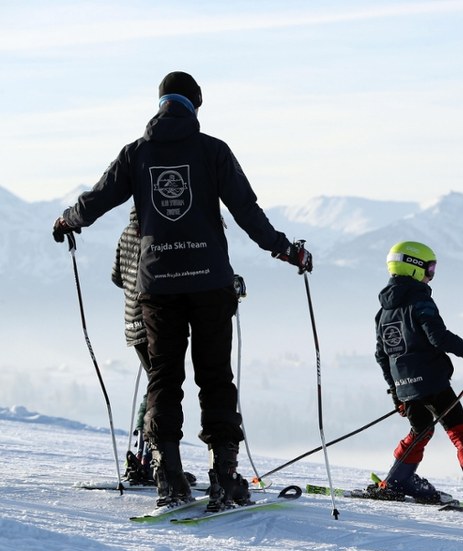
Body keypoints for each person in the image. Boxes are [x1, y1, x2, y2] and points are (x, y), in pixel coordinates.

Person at [52, 71, 312, 511]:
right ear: (195, 104)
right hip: (211, 283)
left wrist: (67, 220)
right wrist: (284, 250)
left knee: (163, 379)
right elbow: (247, 211)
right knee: (215, 378)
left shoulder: (135, 154)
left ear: (160, 104)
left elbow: (97, 199)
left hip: (157, 287)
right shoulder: (213, 150)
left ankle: (169, 481)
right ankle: (224, 482)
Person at [368, 241, 463, 508]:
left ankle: (398, 480)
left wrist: (395, 391)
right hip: (432, 379)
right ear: (413, 267)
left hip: (404, 384)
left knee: (420, 429)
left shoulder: (383, 312)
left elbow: (382, 354)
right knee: (459, 429)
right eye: (430, 267)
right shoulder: (420, 300)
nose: (431, 274)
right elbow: (439, 337)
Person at [111, 206, 157, 486]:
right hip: (152, 318)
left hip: (131, 321)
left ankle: (145, 458)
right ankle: (149, 460)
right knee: (161, 387)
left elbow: (117, 277)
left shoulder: (125, 233)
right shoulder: (154, 234)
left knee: (156, 384)